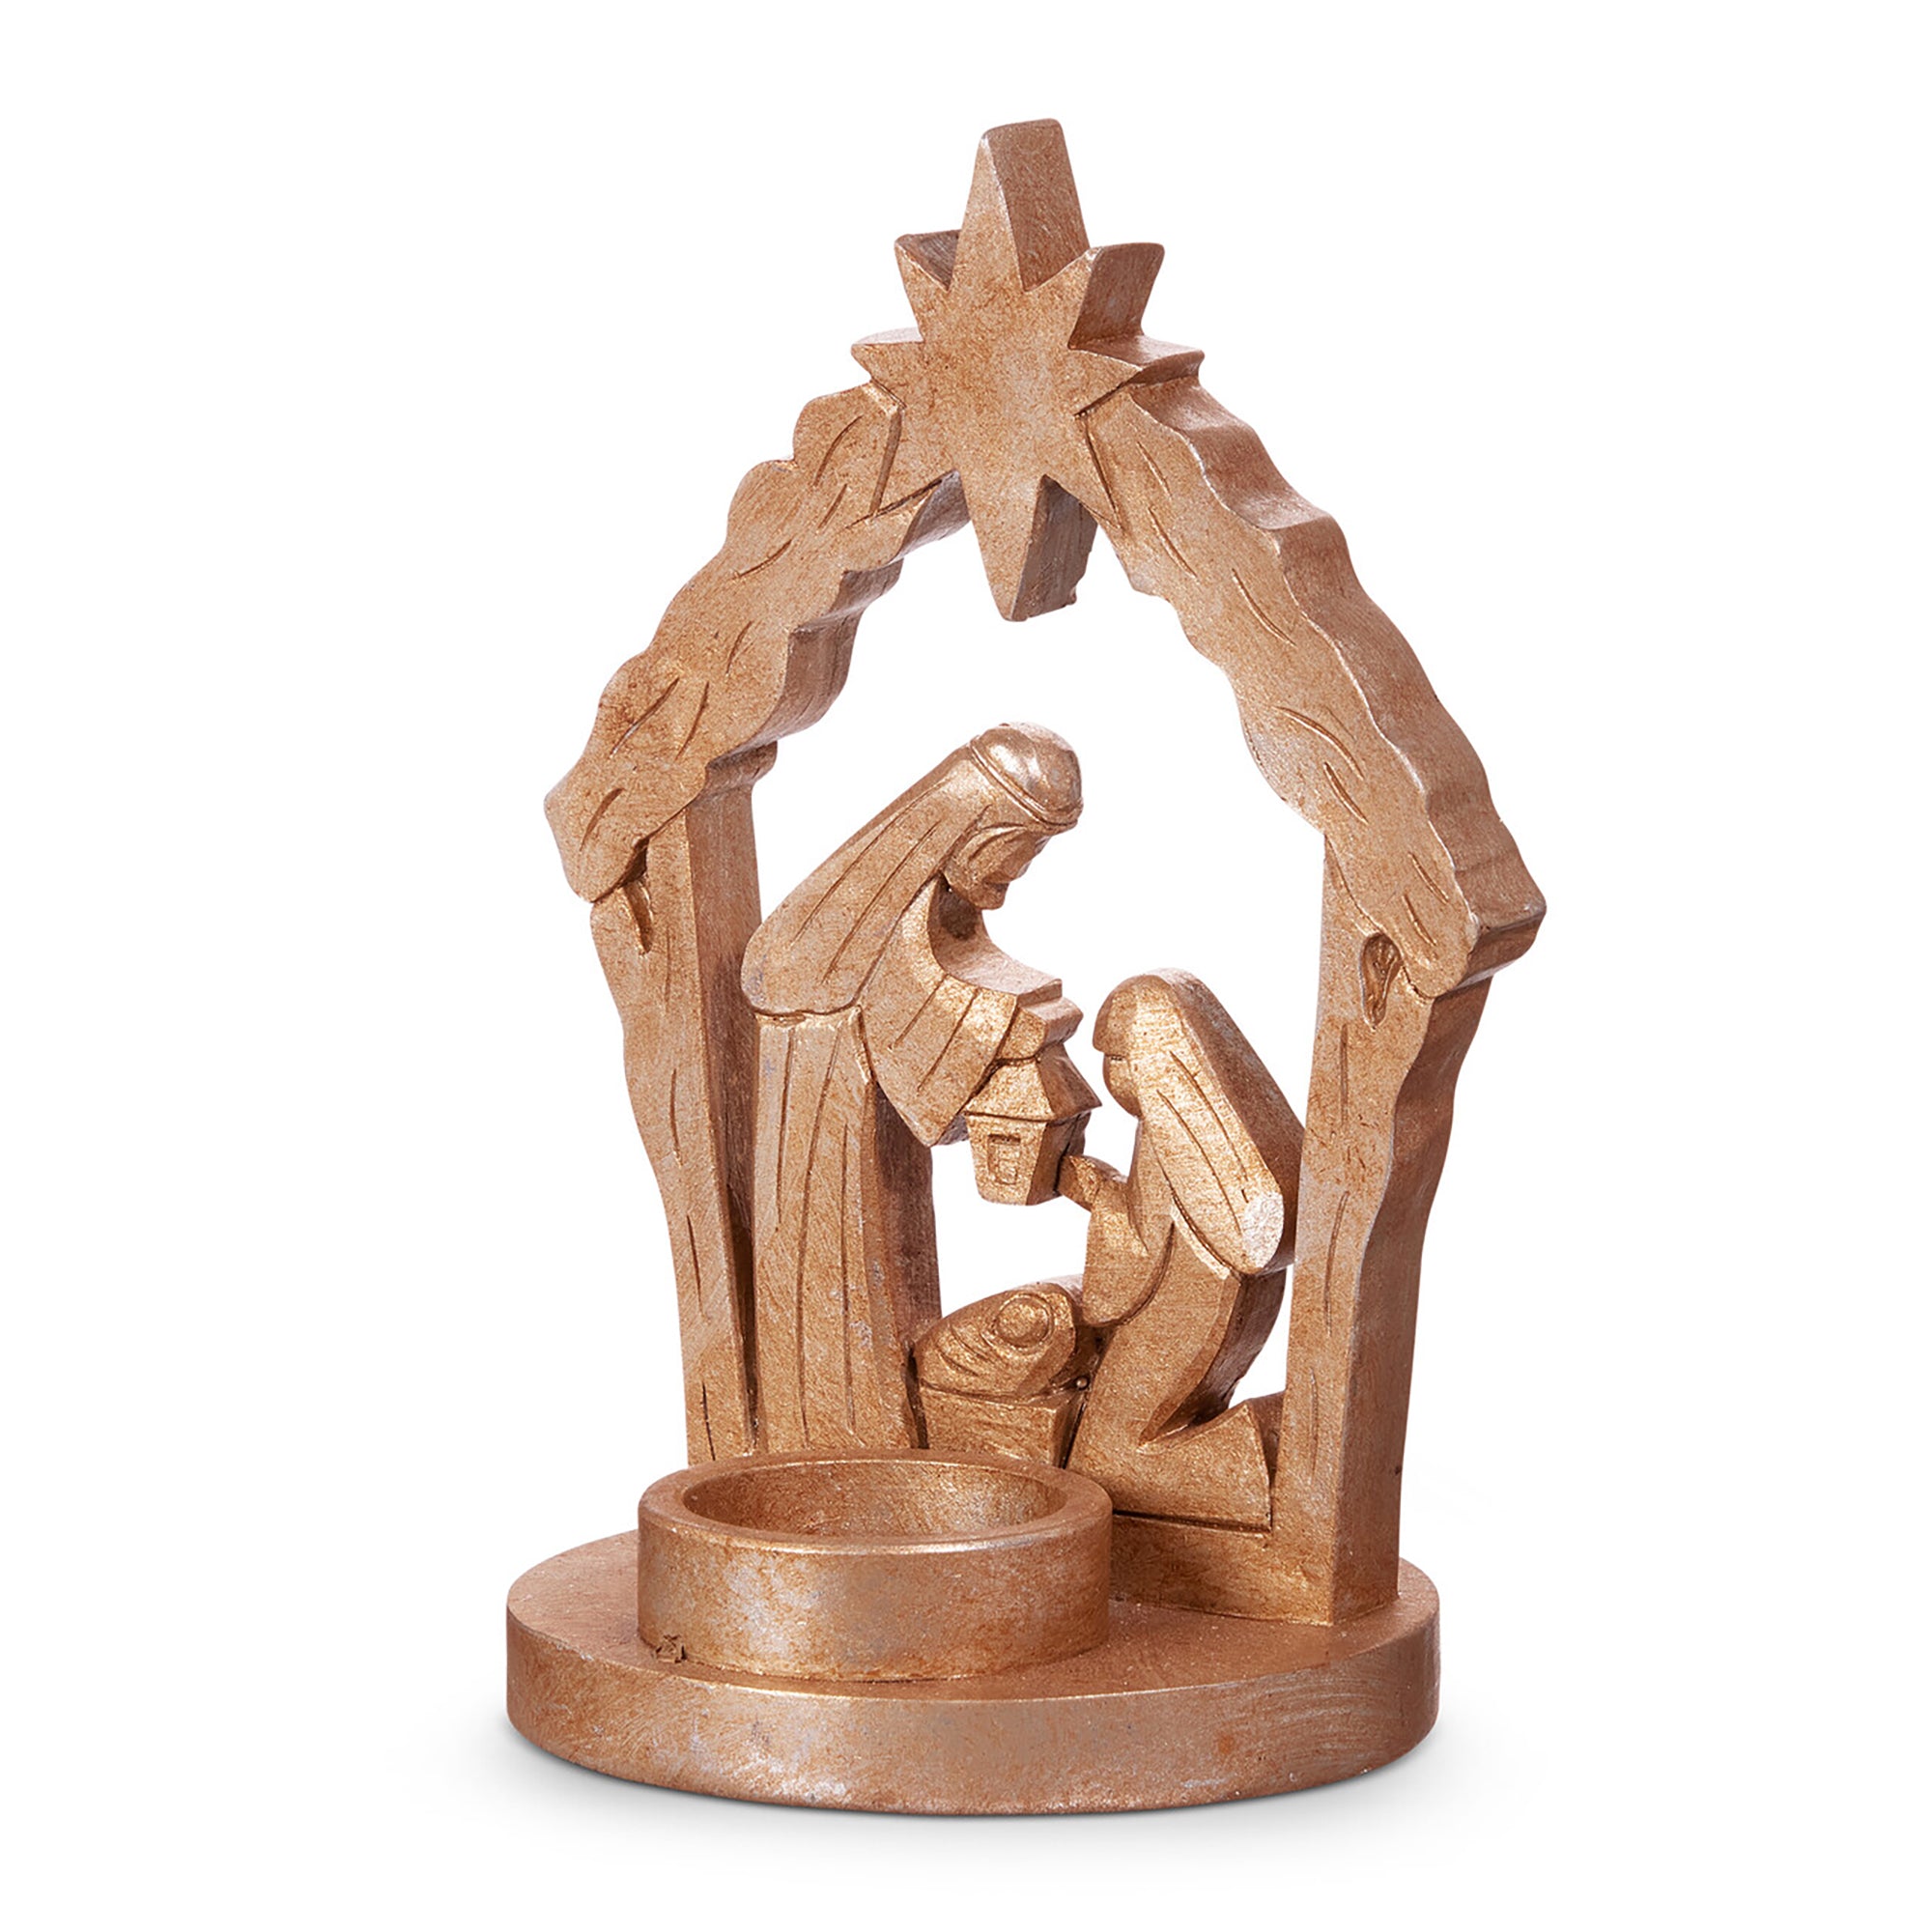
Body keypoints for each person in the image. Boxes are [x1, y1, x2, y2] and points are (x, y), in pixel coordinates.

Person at [740, 723, 1083, 1451]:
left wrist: (1023, 1017)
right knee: (843, 1286)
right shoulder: (859, 915)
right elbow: (908, 1003)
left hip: (862, 1118)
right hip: (825, 1125)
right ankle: (837, 1443)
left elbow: (954, 984)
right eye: (1022, 849)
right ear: (973, 829)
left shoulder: (933, 902)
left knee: (891, 1268)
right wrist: (1009, 1024)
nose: (1021, 870)